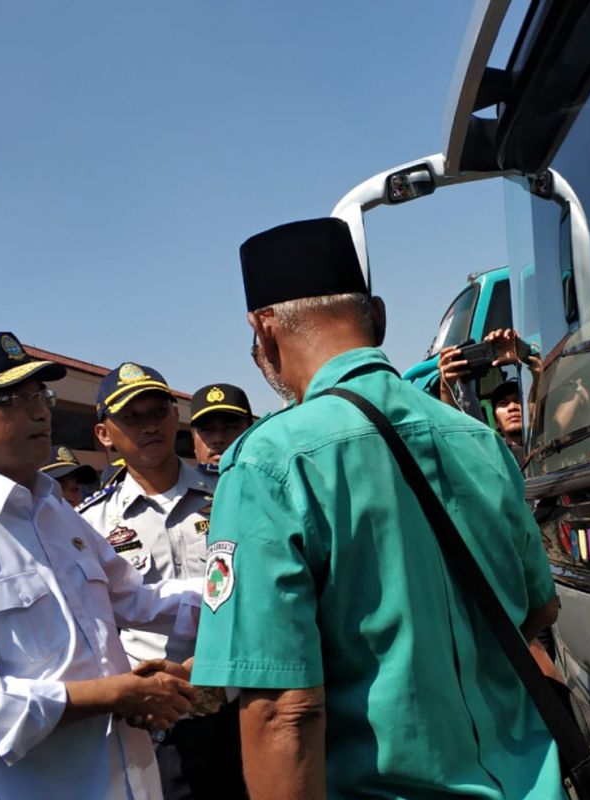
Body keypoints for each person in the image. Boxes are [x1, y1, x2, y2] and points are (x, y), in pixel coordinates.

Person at [191, 218, 563, 799]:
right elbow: (539, 610)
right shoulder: (478, 439)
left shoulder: (267, 462)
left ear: (264, 331)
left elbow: (283, 713)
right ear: (379, 317)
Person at [0, 331, 204, 800]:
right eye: (13, 399)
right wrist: (112, 694)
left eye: (39, 395)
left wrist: (240, 595)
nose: (40, 411)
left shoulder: (54, 512)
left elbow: (138, 598)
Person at [80, 363, 247, 799]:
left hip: (241, 697)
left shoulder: (231, 492)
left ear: (176, 418)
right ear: (103, 435)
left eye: (157, 412)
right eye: (131, 418)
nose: (148, 426)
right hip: (160, 717)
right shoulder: (89, 523)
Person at [188, 383, 254, 476]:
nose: (218, 439)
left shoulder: (272, 486)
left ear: (251, 434)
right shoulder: (175, 488)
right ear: (193, 441)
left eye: (231, 427)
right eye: (206, 429)